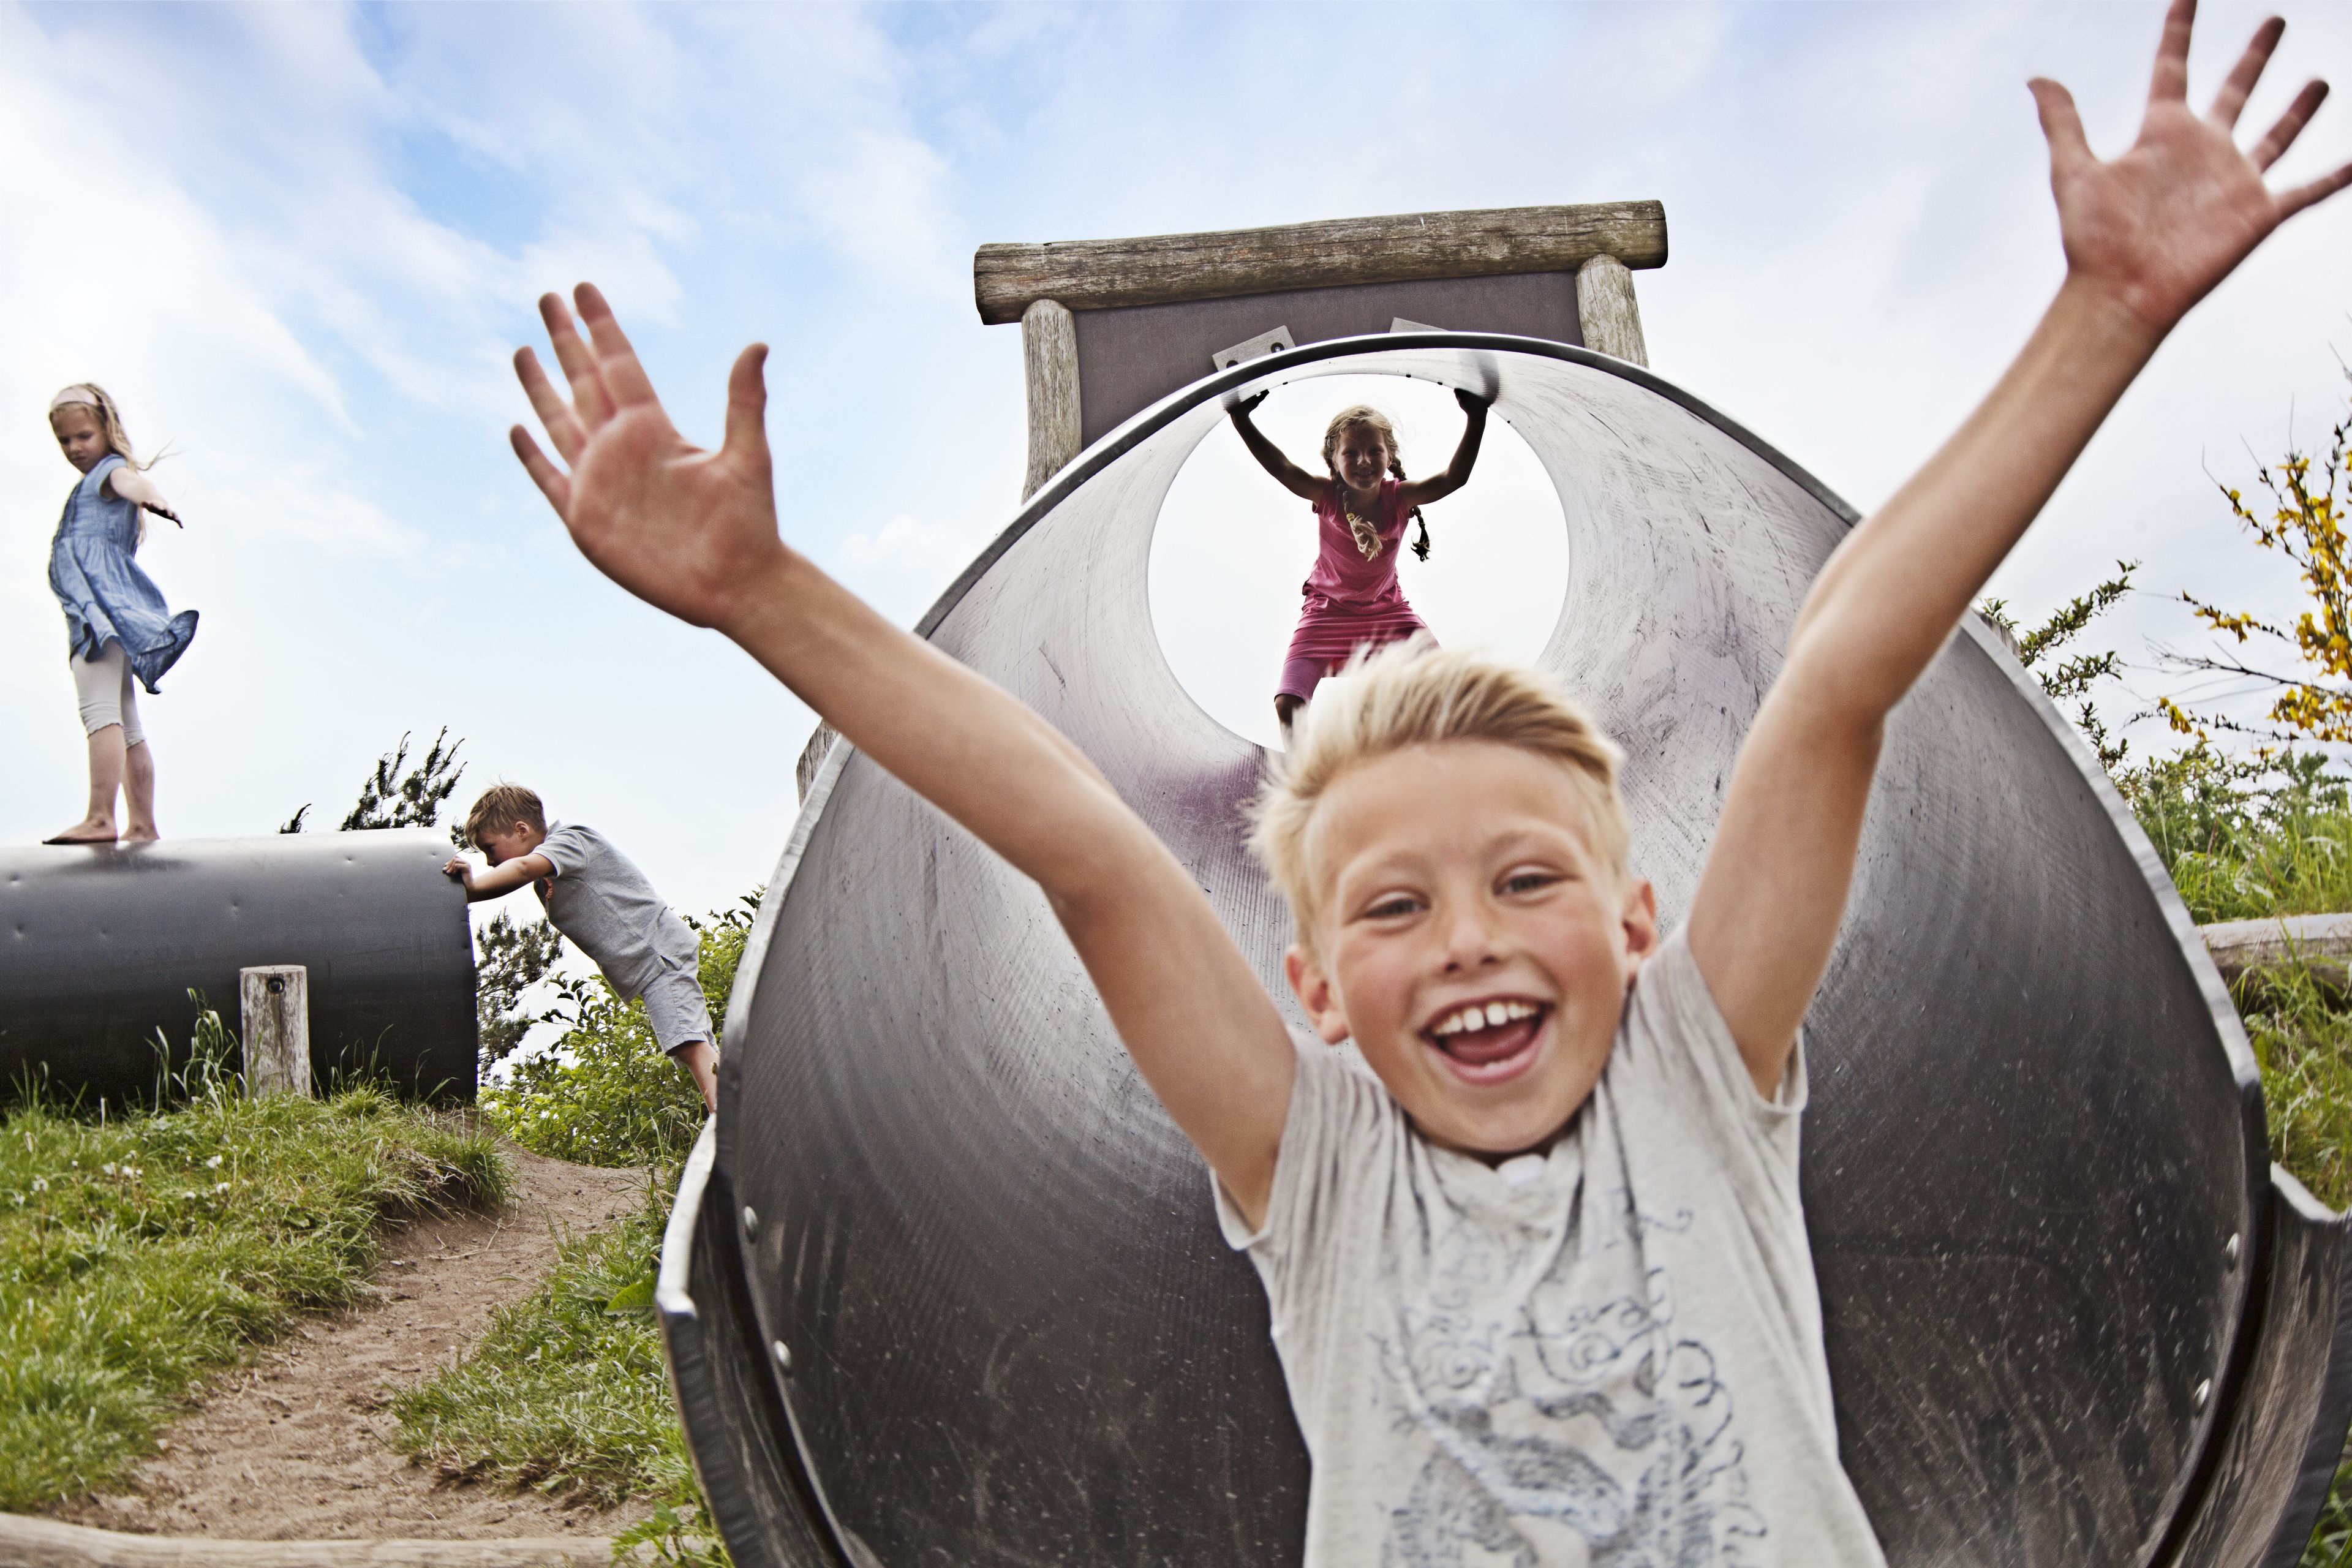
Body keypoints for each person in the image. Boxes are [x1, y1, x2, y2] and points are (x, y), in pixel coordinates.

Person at [497, 3, 2346, 1556]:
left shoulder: (1699, 1074)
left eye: (1526, 880)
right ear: (1305, 985)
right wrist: (761, 593)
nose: (1468, 937)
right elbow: (1084, 846)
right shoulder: (1314, 1171)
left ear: (1638, 918)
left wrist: (2097, 322)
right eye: (1391, 904)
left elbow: (1834, 681)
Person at [443, 785, 719, 1112]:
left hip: (658, 955)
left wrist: (470, 889)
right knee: (695, 1042)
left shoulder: (572, 840)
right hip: (652, 960)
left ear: (521, 830)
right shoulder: (548, 877)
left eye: (491, 849)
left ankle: (731, 1133)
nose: (490, 862)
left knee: (688, 1043)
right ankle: (745, 1111)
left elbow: (518, 869)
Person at [1230, 390, 1487, 731]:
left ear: (1389, 455)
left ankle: (1432, 756)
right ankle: (1307, 780)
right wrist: (1240, 419)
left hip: (1388, 611)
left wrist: (1476, 416)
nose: (1364, 461)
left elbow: (1454, 478)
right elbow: (1282, 468)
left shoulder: (1401, 496)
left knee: (1447, 685)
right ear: (1333, 461)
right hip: (1327, 613)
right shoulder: (1328, 496)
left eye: (1373, 451)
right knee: (1288, 704)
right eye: (1351, 453)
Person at [43, 384, 195, 845]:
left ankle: (99, 817)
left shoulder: (110, 473)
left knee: (99, 711)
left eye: (84, 436)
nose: (75, 449)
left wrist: (152, 496)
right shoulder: (92, 482)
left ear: (108, 431)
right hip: (112, 616)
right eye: (65, 441)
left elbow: (131, 482)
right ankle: (143, 824)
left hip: (98, 615)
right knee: (127, 721)